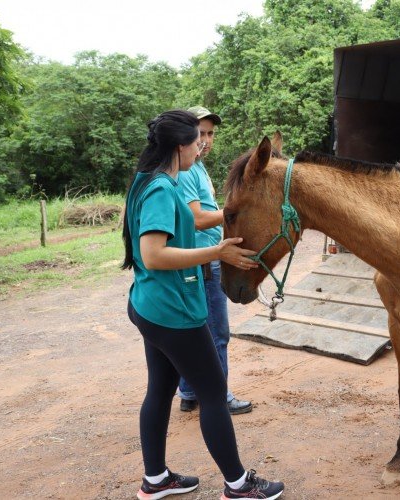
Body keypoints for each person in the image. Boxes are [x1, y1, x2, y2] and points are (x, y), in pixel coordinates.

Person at [122, 110, 284, 500]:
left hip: (150, 304)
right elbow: (154, 254)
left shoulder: (148, 180)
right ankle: (238, 484)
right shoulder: (162, 189)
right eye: (197, 139)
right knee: (212, 394)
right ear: (180, 146)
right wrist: (218, 252)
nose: (202, 145)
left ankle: (156, 479)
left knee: (160, 391)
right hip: (173, 310)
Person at [176, 106, 252, 416]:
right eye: (200, 134)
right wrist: (237, 212)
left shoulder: (196, 167)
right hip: (205, 260)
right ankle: (218, 395)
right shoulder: (186, 171)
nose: (206, 140)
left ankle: (190, 391)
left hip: (203, 259)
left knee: (196, 329)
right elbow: (195, 219)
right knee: (216, 333)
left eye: (210, 134)